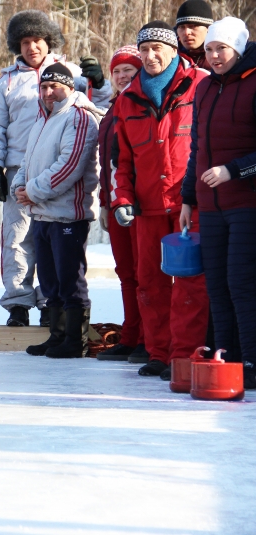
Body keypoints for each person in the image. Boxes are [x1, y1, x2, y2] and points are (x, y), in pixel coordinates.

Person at [0, 9, 112, 328]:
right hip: (18, 172)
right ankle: (18, 302)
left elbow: (101, 108)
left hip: (59, 172)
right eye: (25, 42)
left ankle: (52, 303)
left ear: (48, 41)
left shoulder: (69, 72)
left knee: (54, 241)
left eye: (37, 40)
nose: (32, 47)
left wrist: (99, 82)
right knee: (18, 239)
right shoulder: (8, 81)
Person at [111, 21, 209, 379]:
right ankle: (158, 353)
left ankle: (183, 356)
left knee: (189, 284)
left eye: (157, 49)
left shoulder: (199, 85)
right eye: (145, 50)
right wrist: (122, 197)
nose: (150, 56)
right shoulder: (127, 98)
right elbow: (121, 160)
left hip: (189, 203)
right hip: (147, 205)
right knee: (149, 281)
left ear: (173, 51)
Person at [180, 18, 256, 388]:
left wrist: (234, 171)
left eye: (220, 49)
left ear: (238, 49)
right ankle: (227, 354)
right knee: (217, 285)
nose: (213, 56)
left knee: (243, 283)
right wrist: (188, 197)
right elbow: (197, 148)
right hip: (211, 206)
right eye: (209, 50)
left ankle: (252, 360)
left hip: (247, 203)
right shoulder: (206, 88)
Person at [11, 64, 102, 358]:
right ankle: (57, 335)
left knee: (69, 279)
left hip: (67, 216)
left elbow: (69, 167)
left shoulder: (79, 118)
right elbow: (26, 162)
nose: (49, 93)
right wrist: (18, 187)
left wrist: (32, 191)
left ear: (70, 88)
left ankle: (76, 340)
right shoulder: (42, 121)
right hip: (41, 215)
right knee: (49, 280)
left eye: (55, 87)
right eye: (44, 87)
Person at [95, 46, 149, 363]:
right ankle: (131, 336)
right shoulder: (112, 109)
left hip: (141, 203)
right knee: (126, 272)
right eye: (117, 71)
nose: (122, 75)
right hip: (116, 203)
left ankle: (148, 338)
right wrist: (105, 202)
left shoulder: (142, 103)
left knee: (146, 274)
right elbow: (108, 164)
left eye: (129, 69)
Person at [175, 0, 213, 70]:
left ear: (208, 28)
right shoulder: (170, 57)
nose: (186, 32)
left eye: (193, 26)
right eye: (181, 27)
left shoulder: (221, 59)